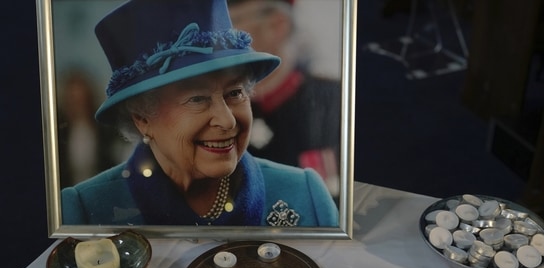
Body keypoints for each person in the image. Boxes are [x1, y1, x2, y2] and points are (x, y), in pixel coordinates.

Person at [61, 0, 338, 227]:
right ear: (143, 119)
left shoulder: (305, 194)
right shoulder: (86, 210)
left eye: (235, 93)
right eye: (197, 99)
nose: (228, 120)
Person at [227, 0, 342, 197]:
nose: (219, 36)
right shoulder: (217, 108)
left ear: (277, 25)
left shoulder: (335, 101)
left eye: (232, 21)